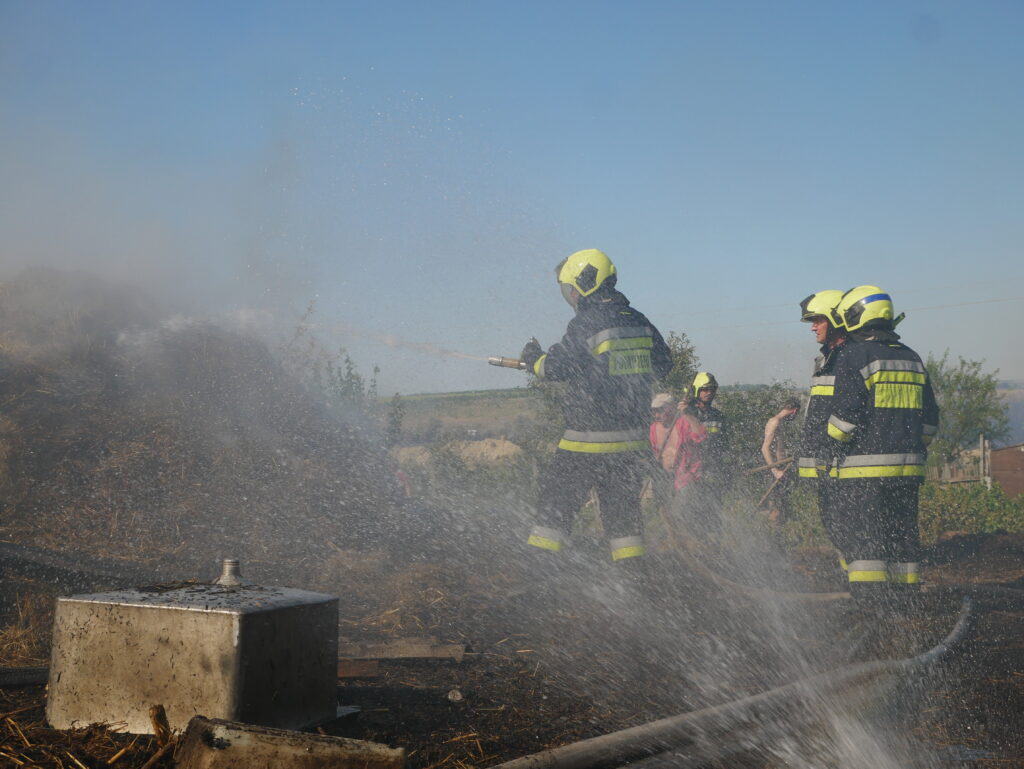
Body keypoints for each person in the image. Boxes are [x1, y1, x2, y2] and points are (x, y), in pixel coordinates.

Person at [519, 249, 673, 579]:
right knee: (624, 519)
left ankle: (537, 586)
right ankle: (636, 587)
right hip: (631, 445)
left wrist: (533, 357)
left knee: (553, 511)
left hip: (586, 443)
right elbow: (663, 363)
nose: (570, 297)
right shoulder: (638, 320)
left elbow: (557, 367)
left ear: (585, 284)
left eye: (570, 289)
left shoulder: (586, 322)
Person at [826, 286, 939, 612]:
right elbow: (930, 420)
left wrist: (830, 440)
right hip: (908, 468)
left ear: (854, 318)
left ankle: (871, 607)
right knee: (903, 534)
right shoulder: (911, 356)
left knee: (866, 538)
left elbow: (844, 420)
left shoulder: (854, 355)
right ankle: (906, 603)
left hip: (865, 469)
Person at [797, 289, 852, 570]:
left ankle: (862, 586)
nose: (813, 327)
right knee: (834, 524)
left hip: (843, 464)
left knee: (847, 527)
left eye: (818, 320)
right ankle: (851, 577)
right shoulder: (826, 360)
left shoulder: (849, 360)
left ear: (836, 320)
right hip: (826, 463)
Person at [684, 372, 729, 536]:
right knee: (691, 511)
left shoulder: (718, 416)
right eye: (704, 389)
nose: (709, 393)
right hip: (690, 470)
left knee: (714, 510)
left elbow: (724, 445)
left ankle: (713, 544)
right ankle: (693, 545)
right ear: (696, 391)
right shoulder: (686, 414)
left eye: (712, 389)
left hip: (713, 469)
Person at [649, 392, 707, 516]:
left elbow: (700, 436)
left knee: (679, 513)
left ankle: (687, 534)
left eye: (660, 410)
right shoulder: (653, 428)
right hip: (666, 478)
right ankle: (672, 535)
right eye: (654, 411)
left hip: (687, 475)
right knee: (665, 513)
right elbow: (656, 452)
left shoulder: (684, 423)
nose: (657, 415)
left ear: (670, 408)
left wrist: (687, 414)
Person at [760, 398, 800, 523]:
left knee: (783, 507)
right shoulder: (775, 422)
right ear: (795, 411)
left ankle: (780, 536)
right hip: (774, 471)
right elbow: (764, 449)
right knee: (776, 508)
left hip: (781, 470)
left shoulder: (780, 422)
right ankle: (770, 535)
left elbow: (778, 449)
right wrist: (775, 470)